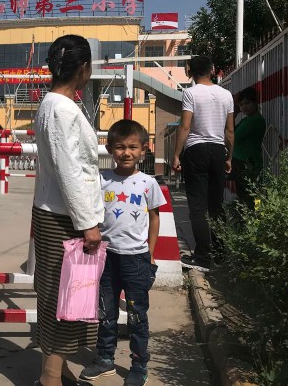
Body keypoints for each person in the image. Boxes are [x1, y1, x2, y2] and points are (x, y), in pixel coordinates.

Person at [32, 34, 104, 386]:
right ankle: (49, 377)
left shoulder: (51, 104)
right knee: (66, 301)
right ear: (84, 68)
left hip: (54, 213)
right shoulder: (62, 109)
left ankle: (57, 369)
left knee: (55, 296)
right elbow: (69, 171)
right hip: (65, 219)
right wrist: (88, 223)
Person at [79, 120, 165, 386]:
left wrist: (150, 255)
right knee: (106, 312)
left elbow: (154, 219)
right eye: (119, 147)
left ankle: (139, 365)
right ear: (109, 149)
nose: (126, 152)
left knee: (137, 314)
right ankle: (105, 358)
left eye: (132, 147)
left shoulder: (148, 183)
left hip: (137, 259)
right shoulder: (101, 180)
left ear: (143, 150)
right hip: (106, 257)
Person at [171, 55, 234, 273]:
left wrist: (177, 154)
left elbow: (185, 127)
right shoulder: (226, 94)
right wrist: (228, 157)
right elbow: (229, 131)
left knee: (198, 207)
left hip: (196, 150)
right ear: (213, 69)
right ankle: (220, 253)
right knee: (215, 204)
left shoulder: (190, 93)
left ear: (189, 70)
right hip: (218, 150)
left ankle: (202, 257)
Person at [231, 87, 266, 209]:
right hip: (243, 163)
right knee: (245, 196)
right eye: (241, 104)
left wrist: (233, 114)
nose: (244, 107)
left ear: (255, 102)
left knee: (247, 197)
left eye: (247, 103)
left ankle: (250, 223)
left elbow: (233, 137)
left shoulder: (255, 120)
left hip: (247, 163)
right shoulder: (247, 120)